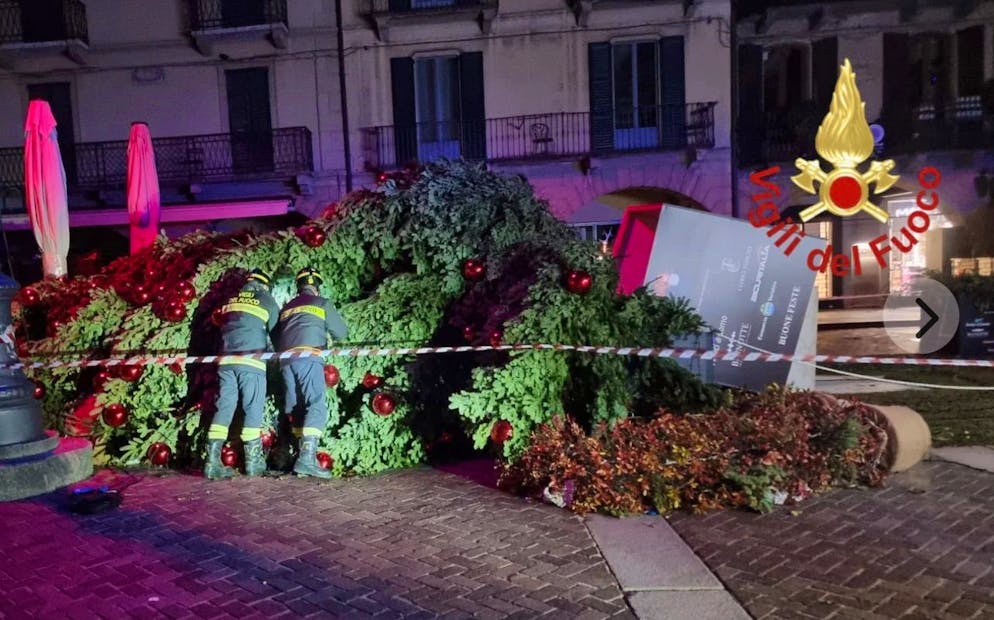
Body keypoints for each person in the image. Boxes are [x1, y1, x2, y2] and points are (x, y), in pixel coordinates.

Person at [205, 268, 280, 480]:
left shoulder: (230, 299)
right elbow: (275, 333)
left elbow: (219, 323)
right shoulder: (266, 299)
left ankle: (212, 462)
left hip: (225, 361)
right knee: (252, 407)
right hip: (251, 362)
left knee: (224, 407)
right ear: (264, 285)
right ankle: (254, 463)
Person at [275, 267, 348, 478]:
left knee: (297, 407)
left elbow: (277, 336)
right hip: (309, 357)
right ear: (317, 286)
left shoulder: (287, 307)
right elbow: (341, 332)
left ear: (299, 287)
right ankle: (307, 459)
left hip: (286, 362)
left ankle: (299, 457)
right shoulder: (322, 303)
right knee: (315, 405)